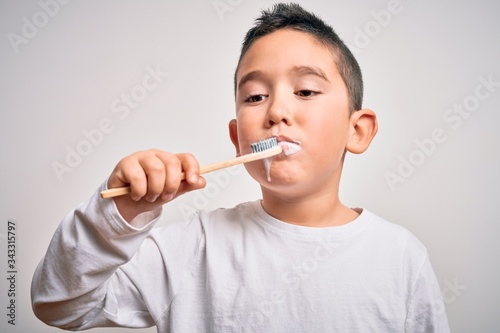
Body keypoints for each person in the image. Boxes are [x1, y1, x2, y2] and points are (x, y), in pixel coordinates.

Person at [31, 3, 450, 332]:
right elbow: (61, 306)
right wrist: (119, 216)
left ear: (356, 131)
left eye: (305, 90)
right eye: (254, 97)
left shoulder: (400, 258)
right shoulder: (192, 249)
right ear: (237, 139)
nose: (277, 111)